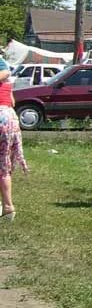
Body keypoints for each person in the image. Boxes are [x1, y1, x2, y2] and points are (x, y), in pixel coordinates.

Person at [0, 55, 29, 220]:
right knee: (4, 165)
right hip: (9, 118)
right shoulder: (7, 83)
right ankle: (8, 206)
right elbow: (12, 102)